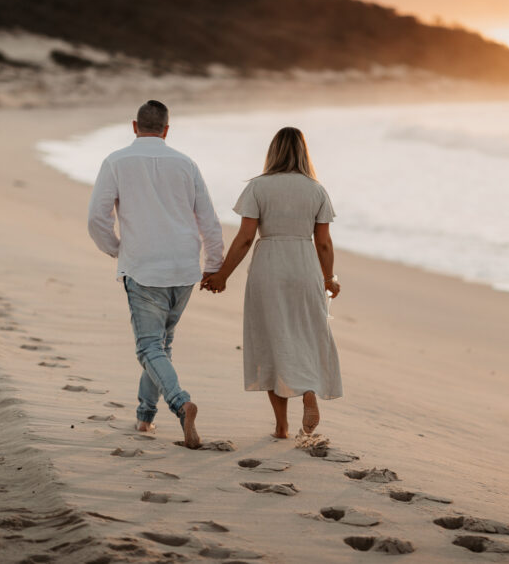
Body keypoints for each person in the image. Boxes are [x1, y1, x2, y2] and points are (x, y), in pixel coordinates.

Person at [87, 100, 223, 449]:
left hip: (144, 266)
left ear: (135, 126)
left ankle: (180, 403)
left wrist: (117, 249)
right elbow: (208, 219)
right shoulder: (186, 163)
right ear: (166, 129)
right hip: (183, 267)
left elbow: (97, 218)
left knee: (149, 346)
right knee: (161, 344)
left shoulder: (116, 161)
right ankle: (145, 417)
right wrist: (213, 265)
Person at [202, 127, 342, 438]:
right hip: (304, 266)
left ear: (273, 151)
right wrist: (328, 277)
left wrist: (222, 275)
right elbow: (323, 243)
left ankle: (281, 426)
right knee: (305, 335)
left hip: (269, 266)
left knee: (271, 340)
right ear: (304, 152)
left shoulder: (258, 187)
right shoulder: (316, 190)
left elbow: (246, 238)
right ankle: (307, 390)